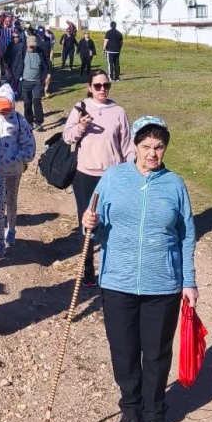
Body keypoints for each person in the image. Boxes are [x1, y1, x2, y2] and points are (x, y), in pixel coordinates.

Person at [82, 116, 198, 422]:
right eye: (146, 146)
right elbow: (93, 227)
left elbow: (187, 235)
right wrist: (88, 223)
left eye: (159, 147)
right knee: (124, 350)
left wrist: (189, 281)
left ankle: (155, 412)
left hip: (162, 284)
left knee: (157, 353)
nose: (152, 153)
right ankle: (131, 409)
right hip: (117, 281)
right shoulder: (113, 178)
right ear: (134, 145)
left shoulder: (174, 185)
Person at [62, 72, 133, 286]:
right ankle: (87, 267)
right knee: (87, 222)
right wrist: (81, 126)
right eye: (98, 86)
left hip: (112, 176)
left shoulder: (118, 112)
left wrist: (132, 171)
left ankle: (111, 265)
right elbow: (67, 137)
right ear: (89, 87)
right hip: (85, 175)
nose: (102, 89)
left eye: (106, 85)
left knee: (113, 220)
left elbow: (127, 145)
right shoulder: (80, 108)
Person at [0, 83, 35, 255]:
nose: (3, 113)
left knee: (11, 201)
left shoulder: (19, 120)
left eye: (6, 109)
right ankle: (0, 241)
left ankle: (12, 229)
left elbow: (29, 144)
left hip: (14, 170)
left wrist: (19, 157)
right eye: (0, 109)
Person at [21, 35, 49, 131]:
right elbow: (16, 65)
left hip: (37, 82)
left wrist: (45, 76)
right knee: (27, 102)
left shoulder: (40, 52)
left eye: (34, 46)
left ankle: (39, 122)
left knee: (37, 102)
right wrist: (19, 78)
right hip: (26, 81)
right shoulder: (22, 52)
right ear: (27, 44)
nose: (32, 47)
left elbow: (46, 65)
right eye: (30, 46)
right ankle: (29, 121)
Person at [2, 27, 26, 94]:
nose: (16, 38)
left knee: (20, 79)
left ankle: (19, 92)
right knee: (14, 79)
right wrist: (5, 64)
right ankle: (14, 92)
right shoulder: (10, 44)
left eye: (17, 37)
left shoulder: (23, 45)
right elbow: (6, 55)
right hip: (12, 65)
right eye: (14, 37)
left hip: (21, 65)